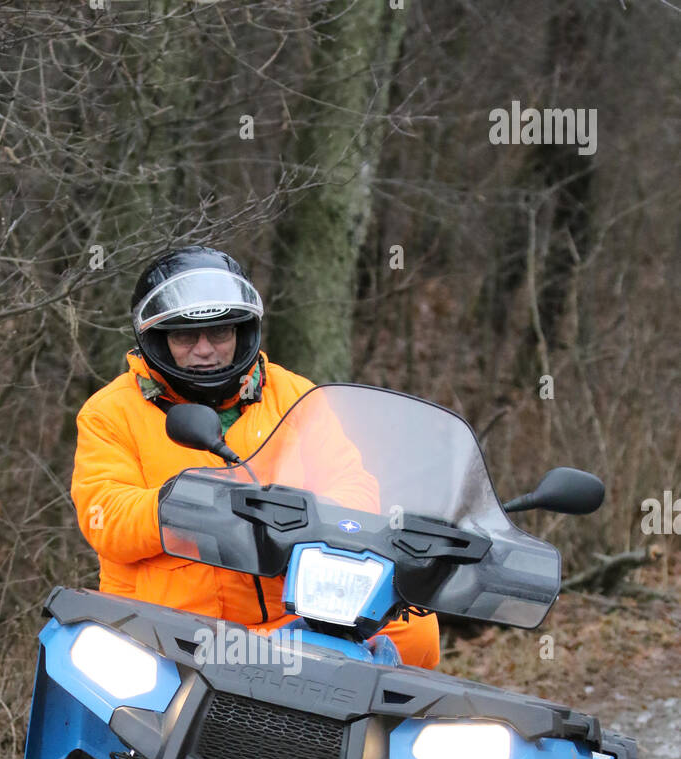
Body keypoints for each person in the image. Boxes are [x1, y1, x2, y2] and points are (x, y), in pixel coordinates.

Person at [71, 246, 440, 667]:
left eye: (220, 334)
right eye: (185, 337)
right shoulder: (110, 411)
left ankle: (367, 730)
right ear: (159, 339)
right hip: (169, 627)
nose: (205, 350)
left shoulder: (294, 395)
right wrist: (187, 506)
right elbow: (105, 517)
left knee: (417, 634)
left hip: (291, 618)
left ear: (242, 332)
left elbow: (354, 485)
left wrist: (304, 517)